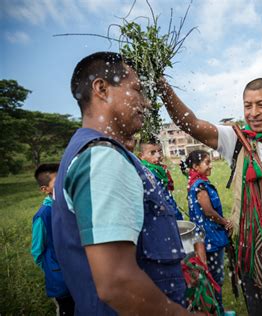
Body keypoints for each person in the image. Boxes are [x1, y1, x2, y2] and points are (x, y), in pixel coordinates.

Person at [51, 51, 199, 315]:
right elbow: (117, 282)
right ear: (101, 89)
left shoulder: (93, 151)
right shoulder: (102, 157)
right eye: (137, 90)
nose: (146, 103)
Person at [158, 77, 262, 315]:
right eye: (248, 106)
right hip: (250, 256)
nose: (253, 113)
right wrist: (164, 88)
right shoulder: (237, 140)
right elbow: (191, 124)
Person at [180, 149, 232, 314]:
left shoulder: (194, 183)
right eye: (207, 163)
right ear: (195, 166)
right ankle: (218, 311)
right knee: (215, 279)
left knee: (208, 277)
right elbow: (208, 211)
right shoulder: (200, 185)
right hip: (211, 238)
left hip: (203, 238)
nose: (211, 166)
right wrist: (226, 223)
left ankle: (213, 309)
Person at [32, 163, 75, 315]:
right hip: (59, 278)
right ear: (45, 190)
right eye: (59, 181)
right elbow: (37, 250)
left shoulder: (71, 206)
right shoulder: (43, 215)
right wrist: (52, 269)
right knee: (66, 309)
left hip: (78, 274)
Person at [138, 139, 183, 220]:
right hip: (161, 216)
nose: (158, 156)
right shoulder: (146, 174)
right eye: (152, 153)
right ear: (141, 156)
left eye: (159, 151)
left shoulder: (160, 170)